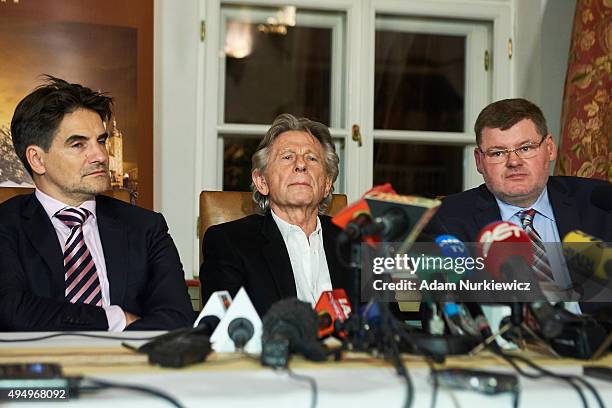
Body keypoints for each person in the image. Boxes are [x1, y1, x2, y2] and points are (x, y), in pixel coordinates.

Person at [0, 76, 194, 331]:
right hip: (36, 367)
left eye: (101, 141)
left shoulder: (146, 227)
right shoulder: (7, 226)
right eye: (79, 144)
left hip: (128, 364)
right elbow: (10, 310)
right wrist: (115, 319)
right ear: (37, 159)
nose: (101, 156)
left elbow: (177, 318)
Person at [428, 98, 611, 314]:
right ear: (479, 161)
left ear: (550, 148)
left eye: (526, 148)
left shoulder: (599, 202)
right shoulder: (448, 220)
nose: (514, 162)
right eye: (497, 153)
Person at [200, 114, 352, 317]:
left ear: (326, 184)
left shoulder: (358, 242)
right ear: (262, 181)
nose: (301, 164)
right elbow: (232, 328)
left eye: (312, 158)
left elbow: (391, 324)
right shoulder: (228, 243)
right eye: (287, 157)